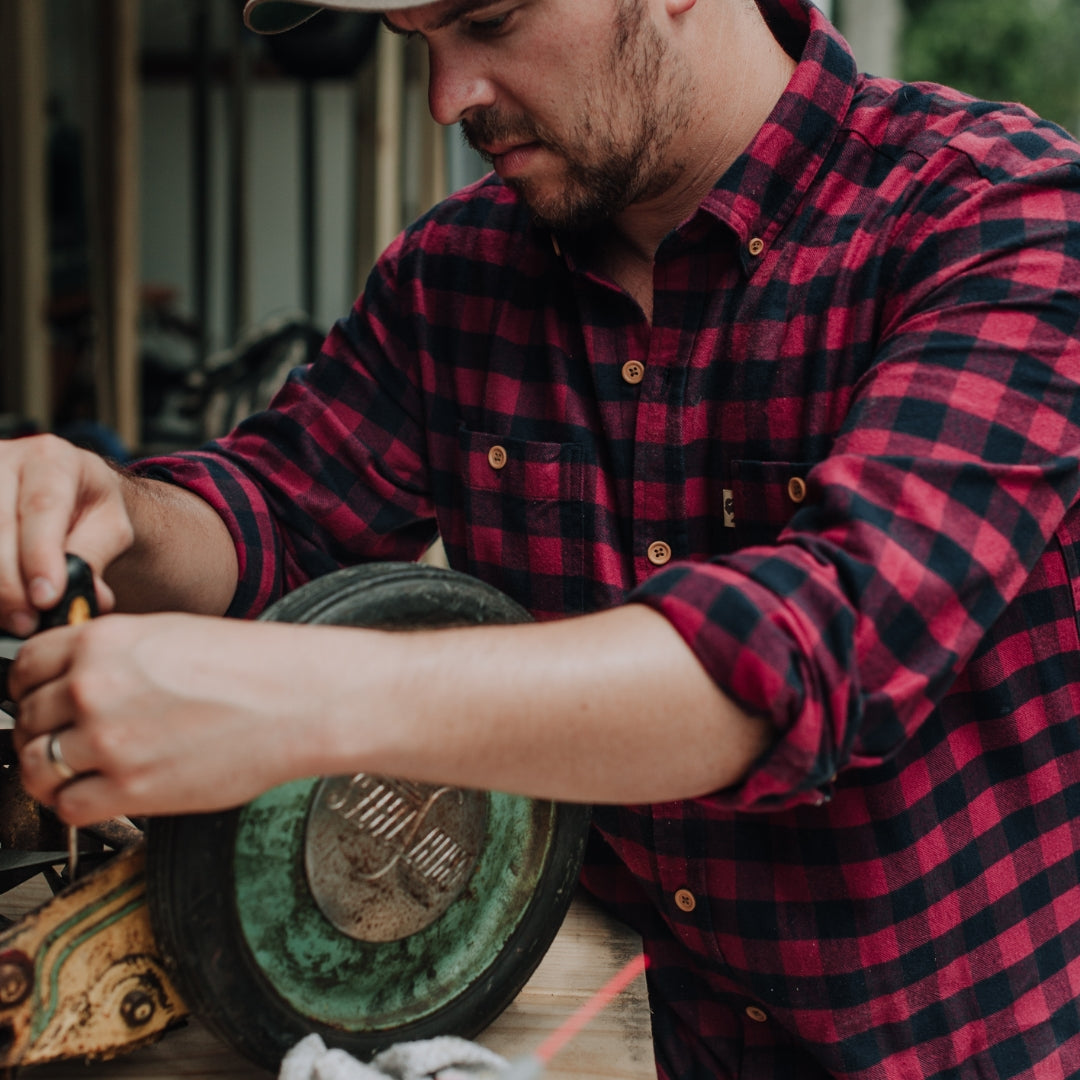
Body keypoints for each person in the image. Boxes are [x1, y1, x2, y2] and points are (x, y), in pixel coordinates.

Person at [4, 0, 1080, 1075]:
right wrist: (114, 515)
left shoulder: (998, 215)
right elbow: (278, 511)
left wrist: (298, 704)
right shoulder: (455, 277)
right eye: (415, 41)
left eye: (490, 21)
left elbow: (819, 646)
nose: (445, 97)